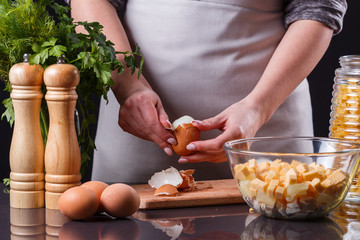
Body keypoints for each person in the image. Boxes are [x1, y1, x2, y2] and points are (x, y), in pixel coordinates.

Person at [69, 0, 347, 184]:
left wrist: (258, 108)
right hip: (136, 147)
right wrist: (128, 86)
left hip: (266, 143)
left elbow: (319, 7)